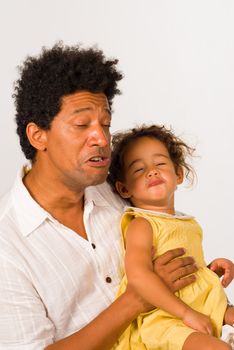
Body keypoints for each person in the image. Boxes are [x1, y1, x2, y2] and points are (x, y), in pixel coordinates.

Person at [0, 43, 232, 350]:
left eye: (105, 124)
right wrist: (136, 299)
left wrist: (202, 270)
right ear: (37, 136)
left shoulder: (117, 189)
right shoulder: (8, 247)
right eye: (82, 125)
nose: (100, 139)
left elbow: (169, 240)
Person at [107, 124, 234, 350]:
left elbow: (185, 269)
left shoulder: (187, 223)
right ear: (124, 189)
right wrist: (186, 314)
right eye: (138, 169)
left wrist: (208, 268)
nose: (152, 171)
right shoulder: (141, 224)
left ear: (178, 174)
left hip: (203, 304)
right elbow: (138, 276)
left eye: (160, 164)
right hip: (163, 317)